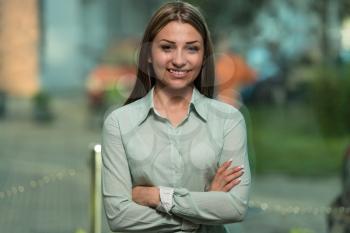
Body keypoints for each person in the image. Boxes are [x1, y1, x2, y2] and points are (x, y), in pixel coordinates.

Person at [101, 1, 251, 232]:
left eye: (192, 48)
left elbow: (235, 207)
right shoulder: (119, 123)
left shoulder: (228, 121)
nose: (179, 60)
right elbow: (119, 217)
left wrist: (158, 196)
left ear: (204, 56)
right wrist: (204, 208)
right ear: (149, 53)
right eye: (167, 47)